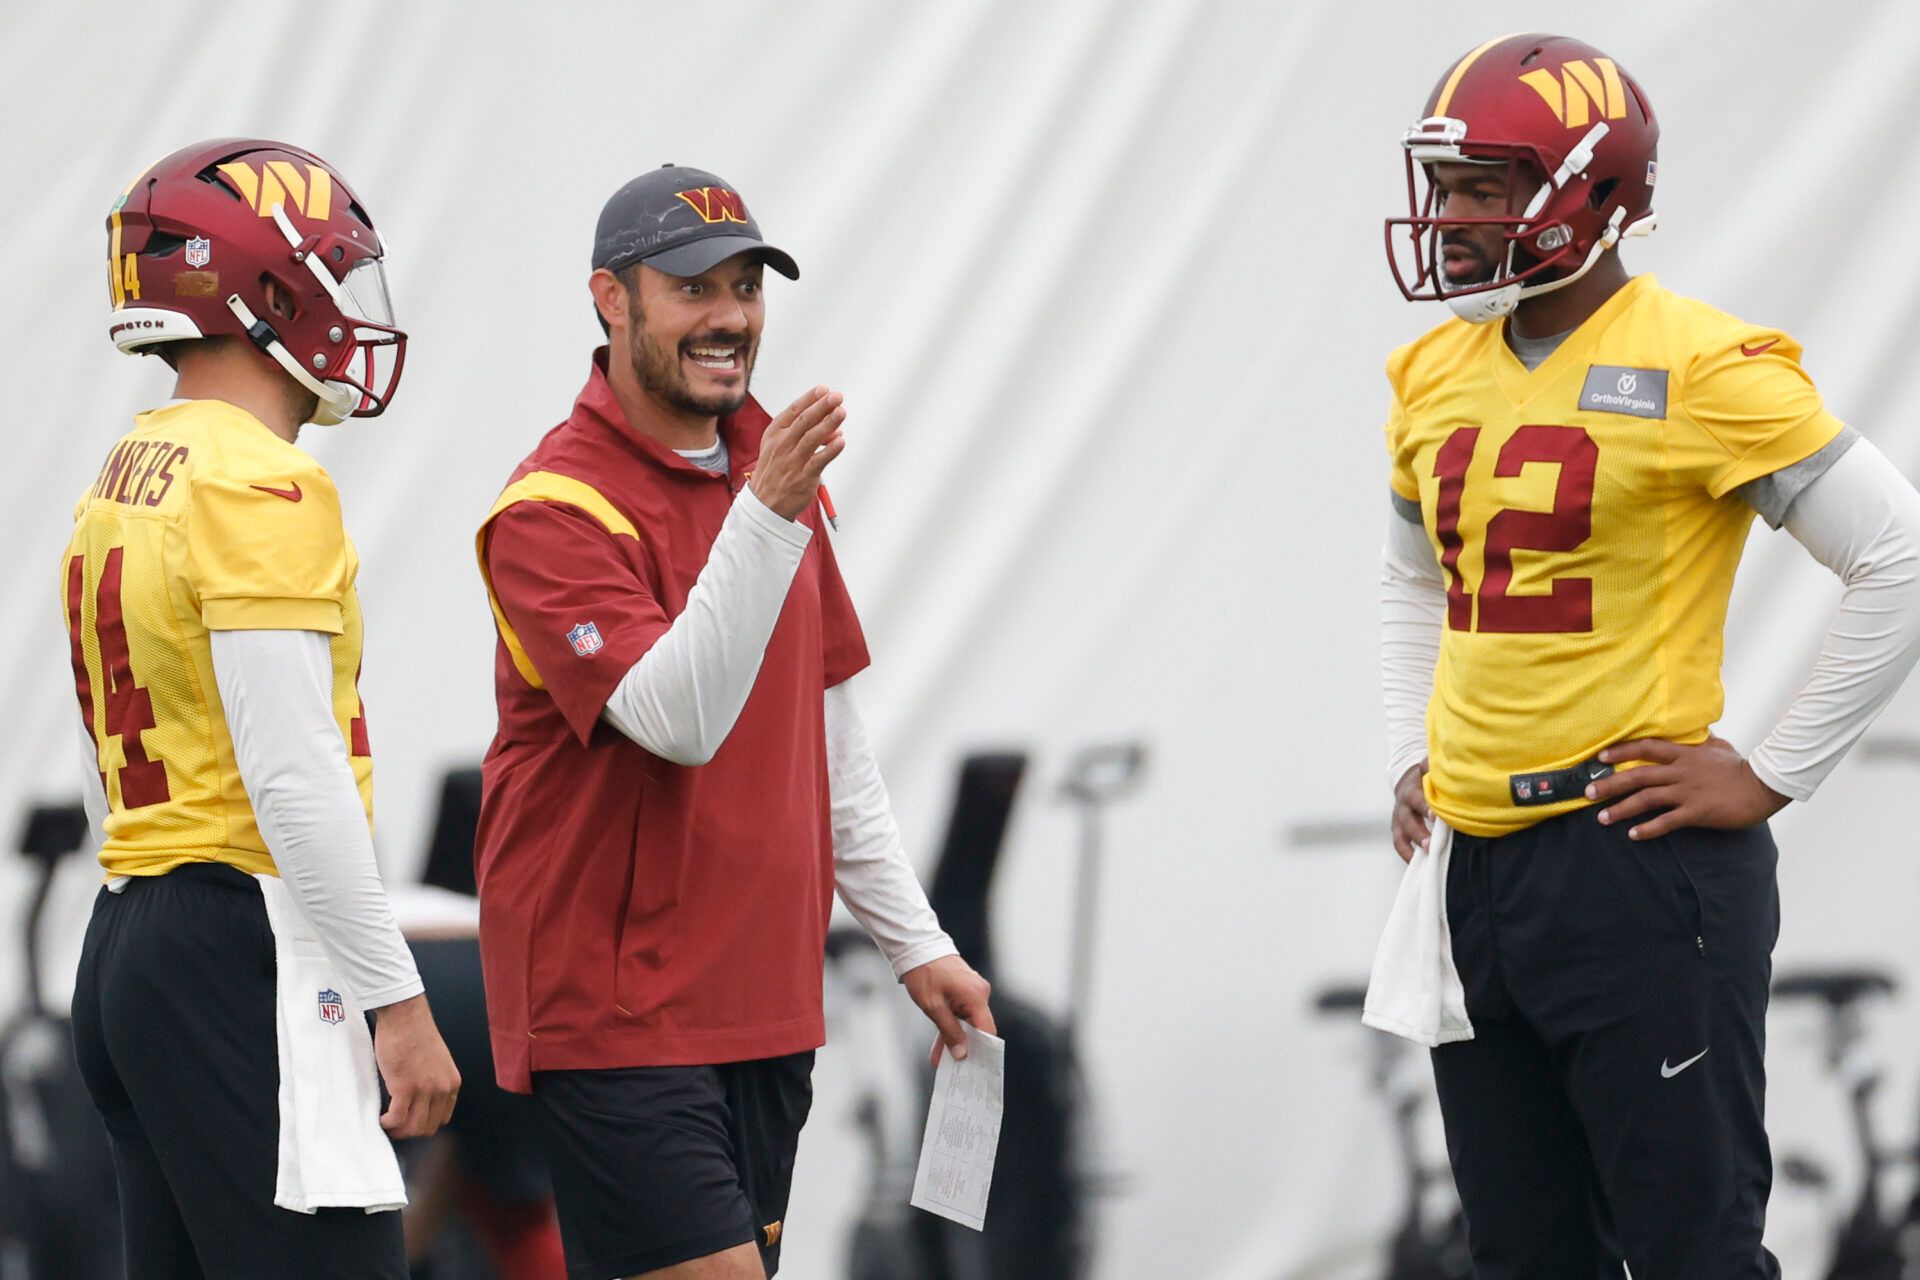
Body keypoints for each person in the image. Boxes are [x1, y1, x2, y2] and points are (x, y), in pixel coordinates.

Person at [1374, 34, 1920, 1278]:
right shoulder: (1430, 373)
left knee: (1693, 1254)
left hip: (1635, 866)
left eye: (1482, 187)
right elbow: (1416, 580)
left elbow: (1901, 555)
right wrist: (1414, 746)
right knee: (1522, 1257)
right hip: (1475, 876)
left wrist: (1772, 771)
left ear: (1594, 193)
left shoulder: (1704, 363)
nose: (1449, 217)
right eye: (1443, 184)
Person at [473, 163, 996, 1280]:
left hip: (766, 1011)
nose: (732, 317)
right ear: (612, 300)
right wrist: (764, 517)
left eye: (748, 286)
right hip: (617, 1020)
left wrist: (919, 943)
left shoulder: (773, 476)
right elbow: (678, 719)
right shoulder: (552, 508)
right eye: (694, 288)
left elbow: (833, 750)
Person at [64, 138, 460, 1279]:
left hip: (133, 929)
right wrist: (398, 1000)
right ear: (271, 288)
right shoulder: (260, 479)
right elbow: (293, 775)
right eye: (335, 272)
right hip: (241, 939)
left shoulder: (132, 465)